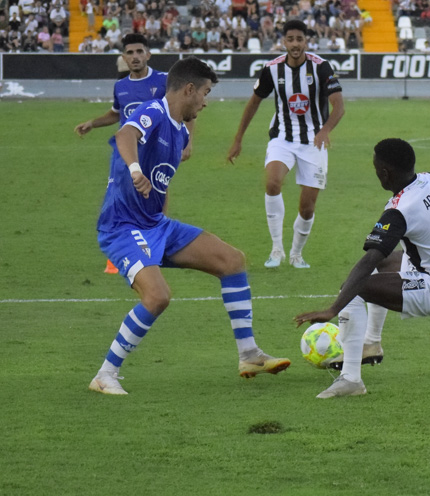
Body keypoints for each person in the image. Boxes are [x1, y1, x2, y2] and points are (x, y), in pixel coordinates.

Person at [88, 58, 291, 395]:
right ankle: (105, 374)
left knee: (232, 260)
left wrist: (159, 217)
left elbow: (160, 188)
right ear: (189, 89)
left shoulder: (180, 132)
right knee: (158, 297)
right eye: (206, 93)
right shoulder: (153, 111)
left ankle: (249, 353)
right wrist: (135, 169)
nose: (206, 101)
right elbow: (125, 134)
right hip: (122, 227)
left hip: (156, 224)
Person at [294, 138, 430, 398]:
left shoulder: (399, 210)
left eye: (377, 169)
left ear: (385, 173)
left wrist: (333, 309)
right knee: (380, 269)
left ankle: (351, 380)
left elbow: (369, 260)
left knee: (354, 288)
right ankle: (370, 343)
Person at [228, 19, 346, 269]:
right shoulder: (272, 69)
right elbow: (253, 103)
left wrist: (325, 130)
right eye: (290, 39)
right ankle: (276, 249)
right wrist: (238, 139)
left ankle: (296, 254)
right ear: (283, 41)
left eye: (299, 39)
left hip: (314, 141)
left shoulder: (321, 67)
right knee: (272, 182)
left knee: (307, 206)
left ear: (306, 41)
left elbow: (339, 105)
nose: (295, 44)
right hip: (282, 137)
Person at [76, 34, 182, 274]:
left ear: (148, 54)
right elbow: (117, 113)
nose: (135, 57)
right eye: (130, 53)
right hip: (126, 153)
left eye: (139, 52)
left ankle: (155, 240)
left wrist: (187, 142)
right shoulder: (121, 86)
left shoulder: (164, 81)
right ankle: (119, 253)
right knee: (119, 198)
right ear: (123, 57)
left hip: (157, 151)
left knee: (157, 193)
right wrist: (93, 123)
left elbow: (183, 108)